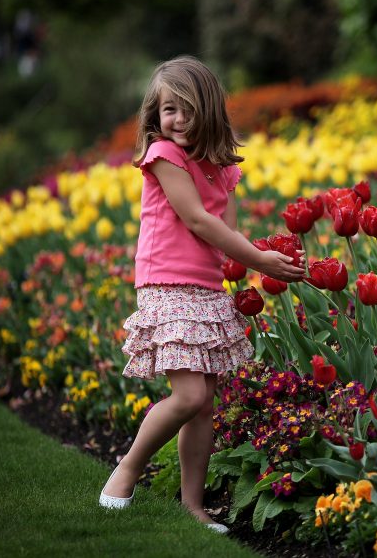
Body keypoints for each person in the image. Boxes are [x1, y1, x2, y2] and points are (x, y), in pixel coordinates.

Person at [98, 56, 305, 532]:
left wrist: (272, 259)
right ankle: (125, 472)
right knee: (189, 394)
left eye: (187, 110)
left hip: (205, 288)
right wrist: (259, 259)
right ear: (155, 117)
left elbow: (224, 235)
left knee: (205, 401)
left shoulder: (221, 168)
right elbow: (197, 220)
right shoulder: (163, 156)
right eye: (169, 110)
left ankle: (192, 506)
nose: (177, 120)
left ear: (209, 111)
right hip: (167, 283)